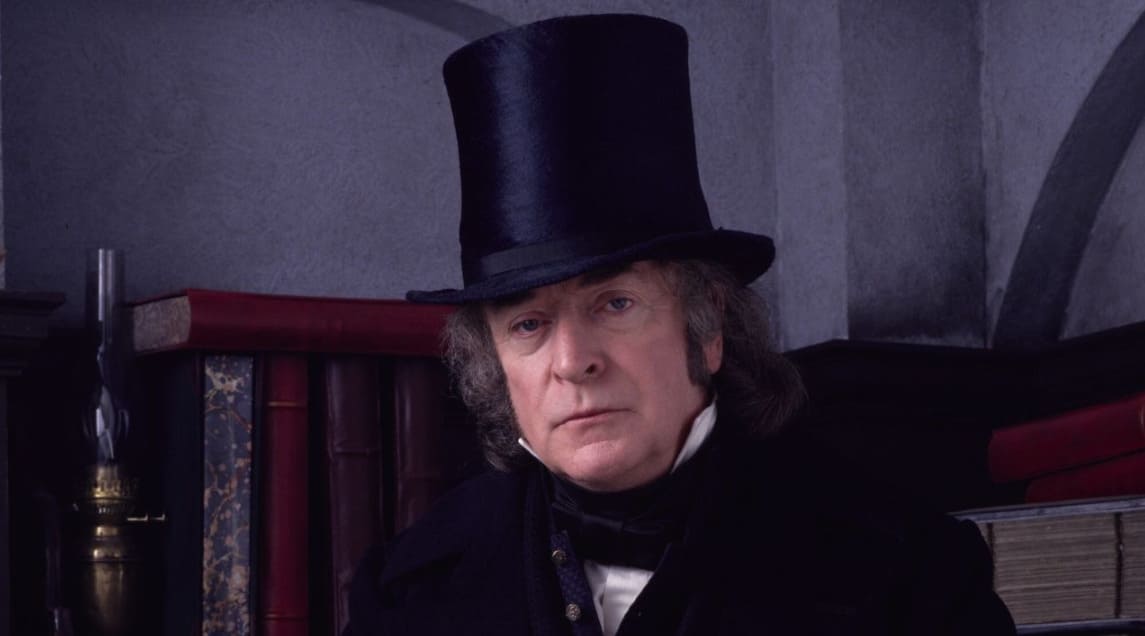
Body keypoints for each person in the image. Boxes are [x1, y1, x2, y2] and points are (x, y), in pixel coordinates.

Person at [346, 13, 1016, 636]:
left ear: (708, 327)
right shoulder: (407, 594)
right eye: (528, 325)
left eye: (614, 304)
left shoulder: (906, 571)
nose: (572, 361)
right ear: (494, 364)